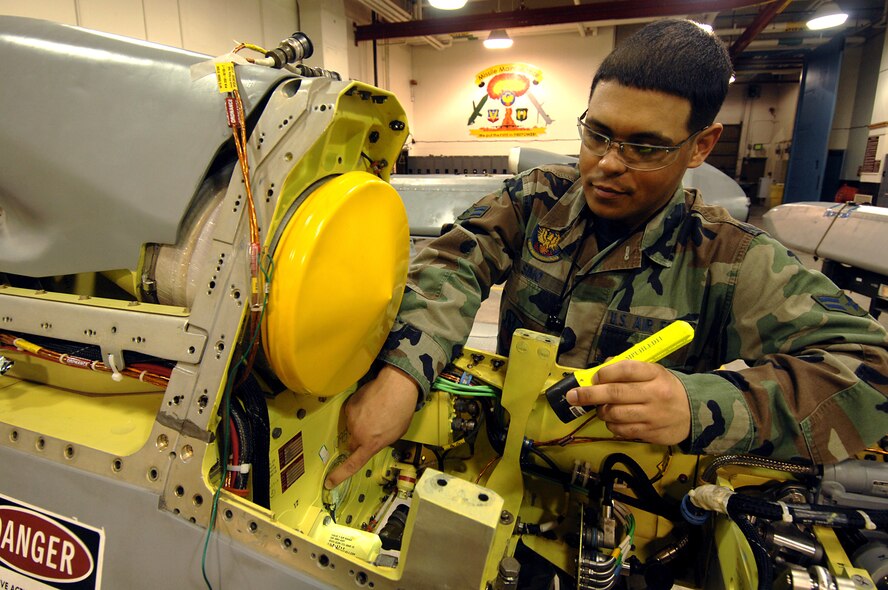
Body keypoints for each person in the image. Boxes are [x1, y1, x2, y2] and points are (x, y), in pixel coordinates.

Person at [326, 19, 888, 490]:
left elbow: (871, 375)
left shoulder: (731, 259)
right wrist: (406, 371)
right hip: (504, 470)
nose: (607, 164)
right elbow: (455, 261)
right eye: (597, 134)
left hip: (628, 496)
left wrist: (699, 405)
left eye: (644, 146)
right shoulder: (539, 199)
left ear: (701, 145)